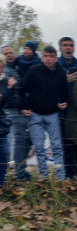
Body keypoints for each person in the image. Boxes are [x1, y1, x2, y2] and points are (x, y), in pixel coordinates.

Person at [19, 45, 68, 181]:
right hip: (34, 114)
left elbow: (64, 91)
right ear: (42, 58)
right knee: (39, 147)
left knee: (57, 146)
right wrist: (22, 108)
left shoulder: (60, 73)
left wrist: (64, 102)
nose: (48, 59)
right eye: (46, 56)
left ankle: (60, 176)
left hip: (52, 114)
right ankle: (43, 176)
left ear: (56, 58)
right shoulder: (33, 71)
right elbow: (21, 89)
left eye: (51, 56)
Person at [1, 46, 32, 180]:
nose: (9, 55)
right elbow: (9, 97)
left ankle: (19, 171)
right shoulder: (5, 74)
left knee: (25, 140)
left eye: (11, 53)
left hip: (20, 110)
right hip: (10, 111)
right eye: (6, 53)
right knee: (18, 141)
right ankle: (19, 173)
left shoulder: (18, 68)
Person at [58, 36, 77, 179]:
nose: (68, 48)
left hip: (76, 111)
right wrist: (65, 81)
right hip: (61, 110)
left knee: (75, 142)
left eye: (71, 45)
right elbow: (49, 87)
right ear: (61, 48)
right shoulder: (56, 66)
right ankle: (66, 174)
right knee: (64, 143)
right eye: (65, 45)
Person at [0, 55, 11, 187]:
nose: (0, 69)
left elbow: (7, 102)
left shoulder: (5, 81)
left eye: (2, 67)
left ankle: (1, 183)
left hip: (1, 121)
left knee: (3, 153)